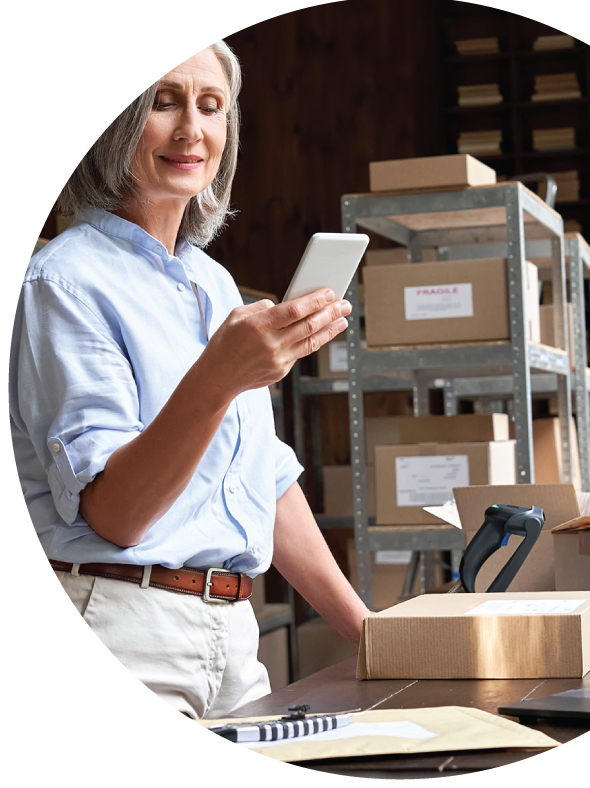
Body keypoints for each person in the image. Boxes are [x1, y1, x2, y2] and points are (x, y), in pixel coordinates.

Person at [10, 40, 373, 719]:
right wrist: (217, 380)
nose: (192, 131)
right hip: (124, 624)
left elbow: (265, 481)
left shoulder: (213, 282)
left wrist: (369, 633)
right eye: (164, 102)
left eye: (211, 107)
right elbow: (115, 516)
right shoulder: (63, 280)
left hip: (235, 638)